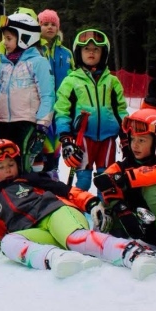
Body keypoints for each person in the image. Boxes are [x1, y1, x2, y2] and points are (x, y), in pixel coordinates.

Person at [0, 139, 156, 279]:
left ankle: (135, 254)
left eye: (10, 164)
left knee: (74, 239)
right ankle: (58, 258)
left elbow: (67, 191)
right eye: (1, 167)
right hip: (40, 232)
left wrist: (91, 202)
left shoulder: (31, 179)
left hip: (58, 213)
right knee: (9, 242)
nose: (8, 170)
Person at [94, 108, 156, 257]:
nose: (134, 145)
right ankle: (110, 233)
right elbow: (108, 177)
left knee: (152, 187)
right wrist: (119, 207)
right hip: (144, 223)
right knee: (108, 194)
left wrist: (127, 178)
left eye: (141, 140)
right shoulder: (131, 161)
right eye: (132, 139)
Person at [54, 29, 128, 193]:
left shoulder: (112, 81)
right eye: (86, 49)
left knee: (107, 179)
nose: (91, 53)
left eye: (96, 49)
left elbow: (120, 110)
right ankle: (78, 211)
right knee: (84, 179)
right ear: (79, 52)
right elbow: (62, 111)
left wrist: (125, 134)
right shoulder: (71, 81)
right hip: (83, 138)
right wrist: (65, 138)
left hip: (107, 138)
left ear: (104, 53)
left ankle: (107, 212)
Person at [0, 11, 55, 173]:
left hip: (26, 125)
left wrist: (41, 128)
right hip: (3, 125)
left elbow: (48, 96)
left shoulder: (38, 63)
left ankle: (31, 195)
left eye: (9, 38)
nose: (4, 42)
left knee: (23, 168)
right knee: (4, 168)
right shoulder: (4, 65)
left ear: (25, 38)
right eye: (3, 38)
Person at [35, 9, 74, 177]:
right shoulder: (35, 50)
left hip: (60, 107)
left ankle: (52, 172)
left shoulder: (66, 53)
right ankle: (40, 176)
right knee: (41, 145)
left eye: (53, 24)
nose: (50, 27)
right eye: (45, 24)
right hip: (40, 107)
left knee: (56, 145)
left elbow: (73, 78)